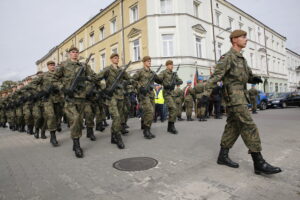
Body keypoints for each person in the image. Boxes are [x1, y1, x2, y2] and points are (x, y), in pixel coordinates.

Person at [206, 29, 281, 175]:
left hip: (241, 97)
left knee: (232, 127)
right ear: (234, 40)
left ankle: (222, 156)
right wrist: (200, 90)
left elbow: (247, 76)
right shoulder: (227, 57)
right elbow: (216, 77)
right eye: (243, 37)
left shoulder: (241, 58)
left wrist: (254, 78)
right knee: (249, 126)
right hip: (234, 98)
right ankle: (258, 162)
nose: (246, 39)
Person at [54, 46, 98, 158]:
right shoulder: (63, 65)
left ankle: (75, 140)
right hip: (70, 97)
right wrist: (63, 88)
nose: (75, 54)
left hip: (81, 98)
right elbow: (54, 79)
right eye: (72, 52)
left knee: (78, 121)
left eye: (76, 52)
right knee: (76, 118)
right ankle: (77, 145)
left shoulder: (83, 66)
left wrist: (87, 80)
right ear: (69, 54)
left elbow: (94, 77)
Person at [98, 53, 130, 149]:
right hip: (111, 97)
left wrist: (125, 84)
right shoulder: (107, 69)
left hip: (120, 96)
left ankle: (113, 137)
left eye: (117, 58)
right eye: (114, 58)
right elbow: (97, 78)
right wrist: (103, 89)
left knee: (119, 118)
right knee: (116, 117)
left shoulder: (121, 70)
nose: (116, 59)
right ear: (111, 59)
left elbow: (129, 79)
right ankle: (118, 136)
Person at [133, 56, 161, 139]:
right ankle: (146, 131)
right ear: (144, 62)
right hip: (143, 95)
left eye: (150, 61)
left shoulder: (152, 73)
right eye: (148, 61)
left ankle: (147, 129)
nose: (149, 62)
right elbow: (132, 80)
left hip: (151, 94)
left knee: (152, 113)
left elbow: (159, 80)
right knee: (149, 111)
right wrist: (139, 87)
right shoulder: (140, 72)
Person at [157, 60, 183, 134]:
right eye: (170, 64)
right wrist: (165, 84)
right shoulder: (164, 72)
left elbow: (180, 81)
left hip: (172, 93)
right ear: (167, 65)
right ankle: (171, 126)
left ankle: (170, 126)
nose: (172, 66)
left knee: (173, 109)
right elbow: (159, 79)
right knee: (173, 108)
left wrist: (175, 82)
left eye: (172, 64)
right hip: (166, 93)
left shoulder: (174, 74)